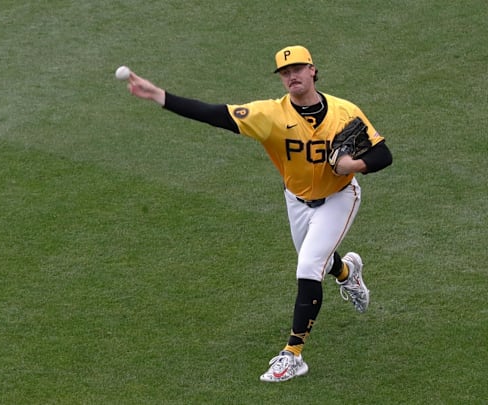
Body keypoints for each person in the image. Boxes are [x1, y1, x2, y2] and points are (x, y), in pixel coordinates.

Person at [123, 45, 392, 382]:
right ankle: (347, 271)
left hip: (340, 198)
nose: (291, 76)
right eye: (284, 72)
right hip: (296, 201)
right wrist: (159, 95)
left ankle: (293, 354)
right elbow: (214, 114)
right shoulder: (271, 116)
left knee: (308, 266)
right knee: (317, 263)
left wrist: (354, 164)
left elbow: (383, 153)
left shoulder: (344, 112)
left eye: (297, 68)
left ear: (313, 70)